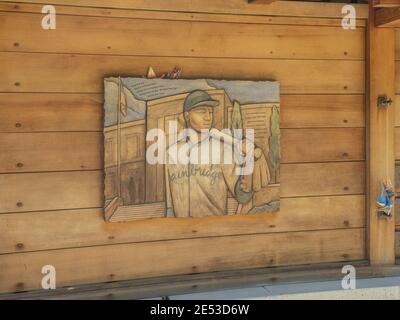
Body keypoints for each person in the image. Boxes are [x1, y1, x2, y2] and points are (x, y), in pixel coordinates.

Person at [164, 89, 267, 218]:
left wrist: (252, 160)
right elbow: (169, 206)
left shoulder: (223, 149)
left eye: (210, 112)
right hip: (181, 229)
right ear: (186, 116)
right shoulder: (171, 153)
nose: (208, 117)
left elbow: (242, 195)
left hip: (213, 227)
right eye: (202, 112)